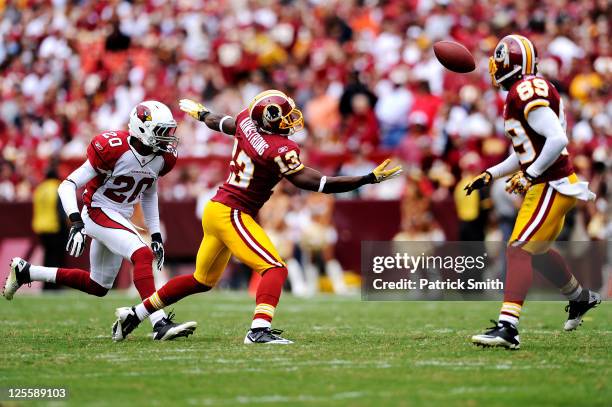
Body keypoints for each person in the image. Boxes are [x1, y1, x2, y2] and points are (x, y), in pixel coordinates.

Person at [112, 90, 402, 344]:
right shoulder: (279, 149)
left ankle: (134, 315)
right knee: (275, 268)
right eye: (285, 117)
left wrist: (202, 114)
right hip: (232, 212)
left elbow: (221, 122)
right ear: (271, 120)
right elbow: (316, 183)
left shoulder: (246, 121)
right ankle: (259, 330)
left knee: (202, 280)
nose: (291, 122)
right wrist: (366, 179)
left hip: (217, 208)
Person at [3, 101, 196, 341]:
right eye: (161, 131)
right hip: (98, 210)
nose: (168, 138)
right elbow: (68, 185)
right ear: (142, 130)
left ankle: (27, 272)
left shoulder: (162, 159)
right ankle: (159, 323)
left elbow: (149, 192)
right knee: (142, 254)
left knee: (98, 286)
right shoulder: (113, 148)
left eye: (169, 131)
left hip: (120, 214)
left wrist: (155, 233)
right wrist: (75, 222)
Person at [464, 35, 600, 349]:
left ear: (507, 63)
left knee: (518, 250)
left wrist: (530, 175)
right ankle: (579, 298)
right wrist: (491, 174)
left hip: (552, 184)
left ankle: (507, 328)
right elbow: (525, 152)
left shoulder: (526, 91)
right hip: (546, 183)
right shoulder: (523, 90)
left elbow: (557, 140)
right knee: (533, 254)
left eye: (498, 59)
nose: (493, 66)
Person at [31, 166, 68, 289]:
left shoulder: (40, 189)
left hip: (41, 228)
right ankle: (55, 285)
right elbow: (61, 210)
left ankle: (46, 285)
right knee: (56, 259)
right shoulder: (57, 187)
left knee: (48, 257)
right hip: (54, 227)